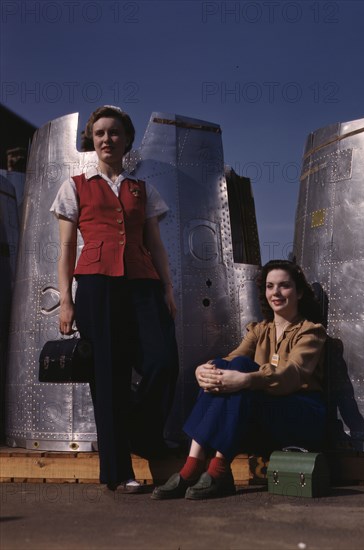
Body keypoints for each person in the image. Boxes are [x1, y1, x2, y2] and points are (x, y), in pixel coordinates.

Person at [51, 105, 178, 493]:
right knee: (109, 377)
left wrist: (168, 289)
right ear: (92, 139)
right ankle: (118, 472)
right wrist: (67, 301)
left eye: (115, 133)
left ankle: (141, 433)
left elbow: (155, 244)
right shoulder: (74, 185)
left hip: (142, 283)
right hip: (96, 286)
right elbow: (67, 246)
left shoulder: (143, 189)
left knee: (163, 361)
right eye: (101, 133)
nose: (107, 139)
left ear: (127, 139)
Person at [152, 259, 327, 500]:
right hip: (266, 411)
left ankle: (214, 470)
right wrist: (204, 371)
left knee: (243, 370)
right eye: (270, 286)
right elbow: (231, 360)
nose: (275, 292)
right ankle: (196, 464)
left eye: (284, 286)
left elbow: (292, 374)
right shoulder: (259, 330)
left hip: (300, 414)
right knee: (225, 366)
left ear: (298, 292)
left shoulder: (310, 331)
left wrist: (245, 380)